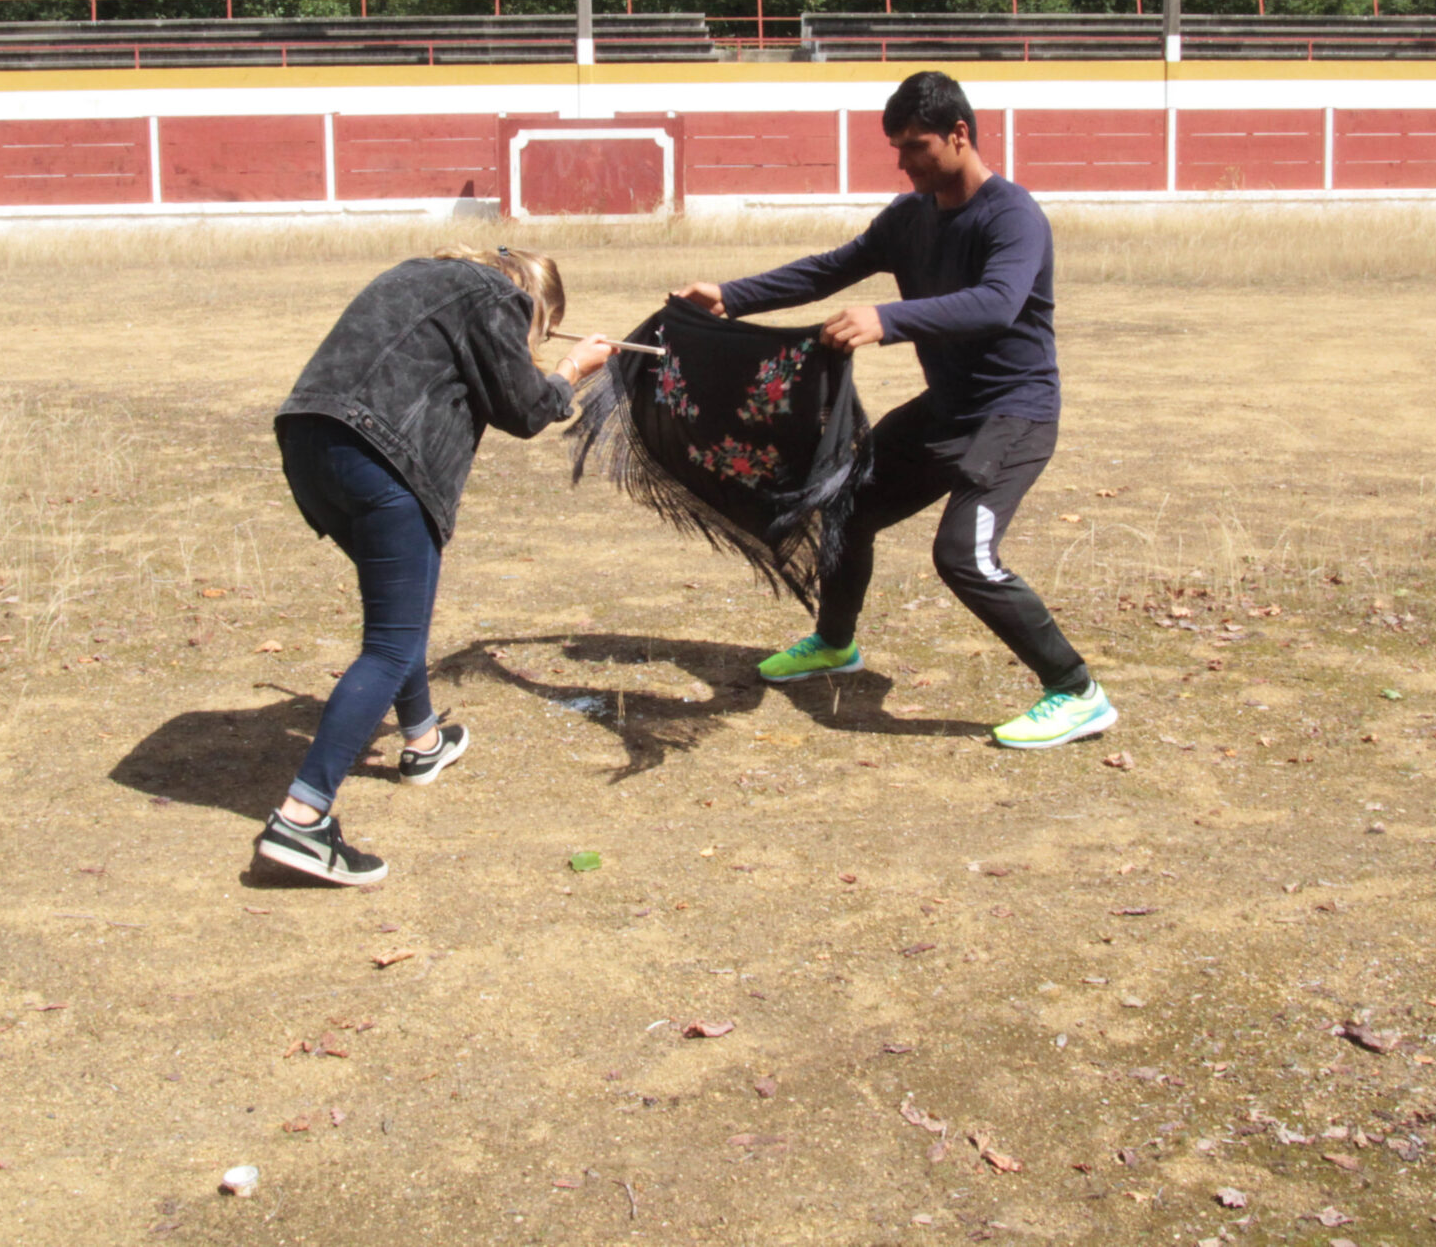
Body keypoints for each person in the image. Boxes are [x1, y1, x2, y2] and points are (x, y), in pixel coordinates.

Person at [673, 71, 1112, 750]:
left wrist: (888, 318)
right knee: (846, 504)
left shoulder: (1012, 216)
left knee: (962, 553)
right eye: (898, 149)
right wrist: (733, 295)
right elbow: (832, 266)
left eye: (915, 147)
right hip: (949, 408)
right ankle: (834, 642)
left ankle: (1077, 691)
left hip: (1013, 413)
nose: (904, 163)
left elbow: (997, 301)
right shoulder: (910, 217)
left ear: (959, 134)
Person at [261, 246, 614, 885]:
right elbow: (527, 409)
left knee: (399, 615)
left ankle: (423, 740)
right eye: (542, 325)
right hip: (383, 457)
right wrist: (571, 368)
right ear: (537, 303)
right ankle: (301, 821)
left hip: (311, 444)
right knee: (391, 645)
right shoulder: (497, 295)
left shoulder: (415, 274)